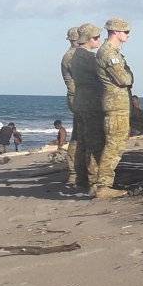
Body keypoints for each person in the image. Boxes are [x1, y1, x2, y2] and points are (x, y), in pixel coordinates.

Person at [94, 18, 134, 198]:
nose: (128, 35)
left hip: (121, 104)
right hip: (115, 105)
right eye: (126, 32)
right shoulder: (109, 53)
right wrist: (129, 76)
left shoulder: (113, 52)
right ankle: (102, 185)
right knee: (114, 145)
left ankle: (103, 184)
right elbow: (124, 79)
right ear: (116, 32)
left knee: (117, 142)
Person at [72, 23, 104, 190]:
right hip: (91, 103)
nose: (99, 40)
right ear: (89, 39)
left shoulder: (75, 55)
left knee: (83, 142)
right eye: (96, 37)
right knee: (94, 143)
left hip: (81, 101)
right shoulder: (88, 58)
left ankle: (81, 178)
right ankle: (93, 180)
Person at [61, 26, 80, 184]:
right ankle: (74, 171)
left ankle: (75, 171)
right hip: (78, 98)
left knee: (80, 134)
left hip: (79, 97)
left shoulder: (75, 55)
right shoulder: (72, 57)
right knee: (79, 135)